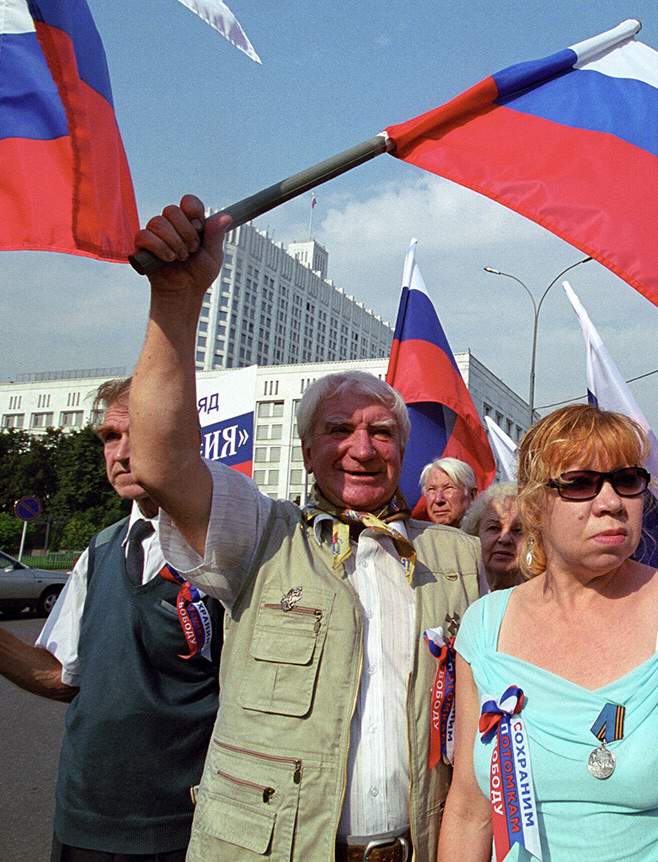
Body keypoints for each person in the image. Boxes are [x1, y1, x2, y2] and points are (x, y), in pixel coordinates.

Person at [128, 196, 485, 862]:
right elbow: (157, 461)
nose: (362, 446)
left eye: (382, 432)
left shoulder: (458, 556)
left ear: (403, 453)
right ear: (305, 450)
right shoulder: (259, 534)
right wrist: (175, 303)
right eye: (338, 430)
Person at [438, 404, 658, 861]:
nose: (610, 502)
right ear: (533, 503)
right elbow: (470, 810)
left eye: (626, 480)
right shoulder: (484, 625)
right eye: (580, 483)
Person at [0, 377, 221, 862]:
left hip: (186, 825)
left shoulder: (226, 554)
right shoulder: (101, 549)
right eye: (111, 437)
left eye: (142, 433)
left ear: (186, 439)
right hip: (86, 817)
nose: (123, 453)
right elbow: (66, 677)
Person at [460, 481, 525, 591]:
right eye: (494, 528)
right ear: (475, 533)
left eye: (518, 530)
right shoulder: (460, 592)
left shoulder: (545, 596)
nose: (504, 539)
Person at [421, 456, 477, 527]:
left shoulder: (489, 536)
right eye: (432, 489)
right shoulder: (413, 537)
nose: (438, 499)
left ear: (472, 495)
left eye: (448, 488)